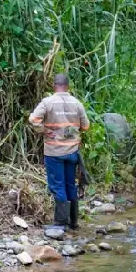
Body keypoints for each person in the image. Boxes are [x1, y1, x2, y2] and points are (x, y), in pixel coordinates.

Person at [28, 73, 90, 231]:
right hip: (72, 152)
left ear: (54, 86)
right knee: (70, 185)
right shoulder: (77, 103)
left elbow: (33, 120)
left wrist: (44, 130)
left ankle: (61, 222)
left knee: (58, 186)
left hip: (54, 152)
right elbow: (86, 126)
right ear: (68, 86)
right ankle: (73, 221)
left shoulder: (47, 102)